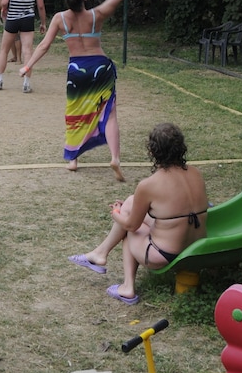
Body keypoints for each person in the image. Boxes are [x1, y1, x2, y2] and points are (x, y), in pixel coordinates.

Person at [69, 123, 208, 305]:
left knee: (129, 227)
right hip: (196, 246)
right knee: (130, 202)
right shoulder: (196, 173)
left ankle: (127, 286)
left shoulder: (149, 185)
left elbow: (131, 225)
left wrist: (116, 212)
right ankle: (99, 254)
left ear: (153, 151)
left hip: (166, 254)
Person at [18, 0, 128, 180]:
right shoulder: (97, 14)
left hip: (77, 69)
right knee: (110, 113)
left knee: (75, 113)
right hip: (100, 66)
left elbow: (44, 45)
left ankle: (73, 159)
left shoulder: (59, 18)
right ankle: (115, 158)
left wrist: (28, 65)